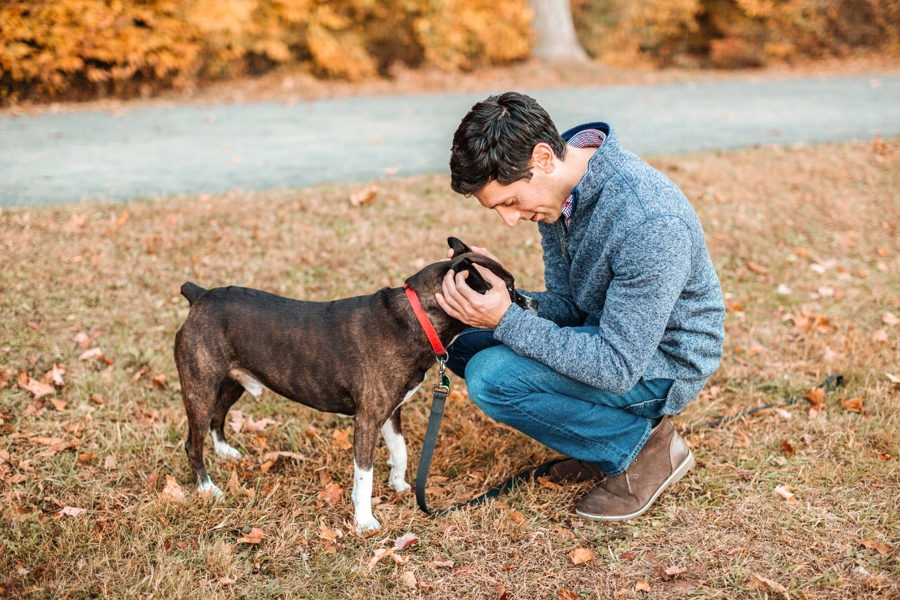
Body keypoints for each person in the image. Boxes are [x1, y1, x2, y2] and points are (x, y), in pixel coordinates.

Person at [435, 91, 725, 521]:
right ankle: (591, 439)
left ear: (543, 157)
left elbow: (617, 366)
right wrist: (505, 296)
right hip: (607, 336)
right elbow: (571, 304)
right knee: (463, 340)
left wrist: (507, 319)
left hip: (661, 361)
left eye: (511, 202)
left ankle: (642, 448)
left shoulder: (649, 222)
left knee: (490, 376)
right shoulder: (562, 195)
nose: (510, 219)